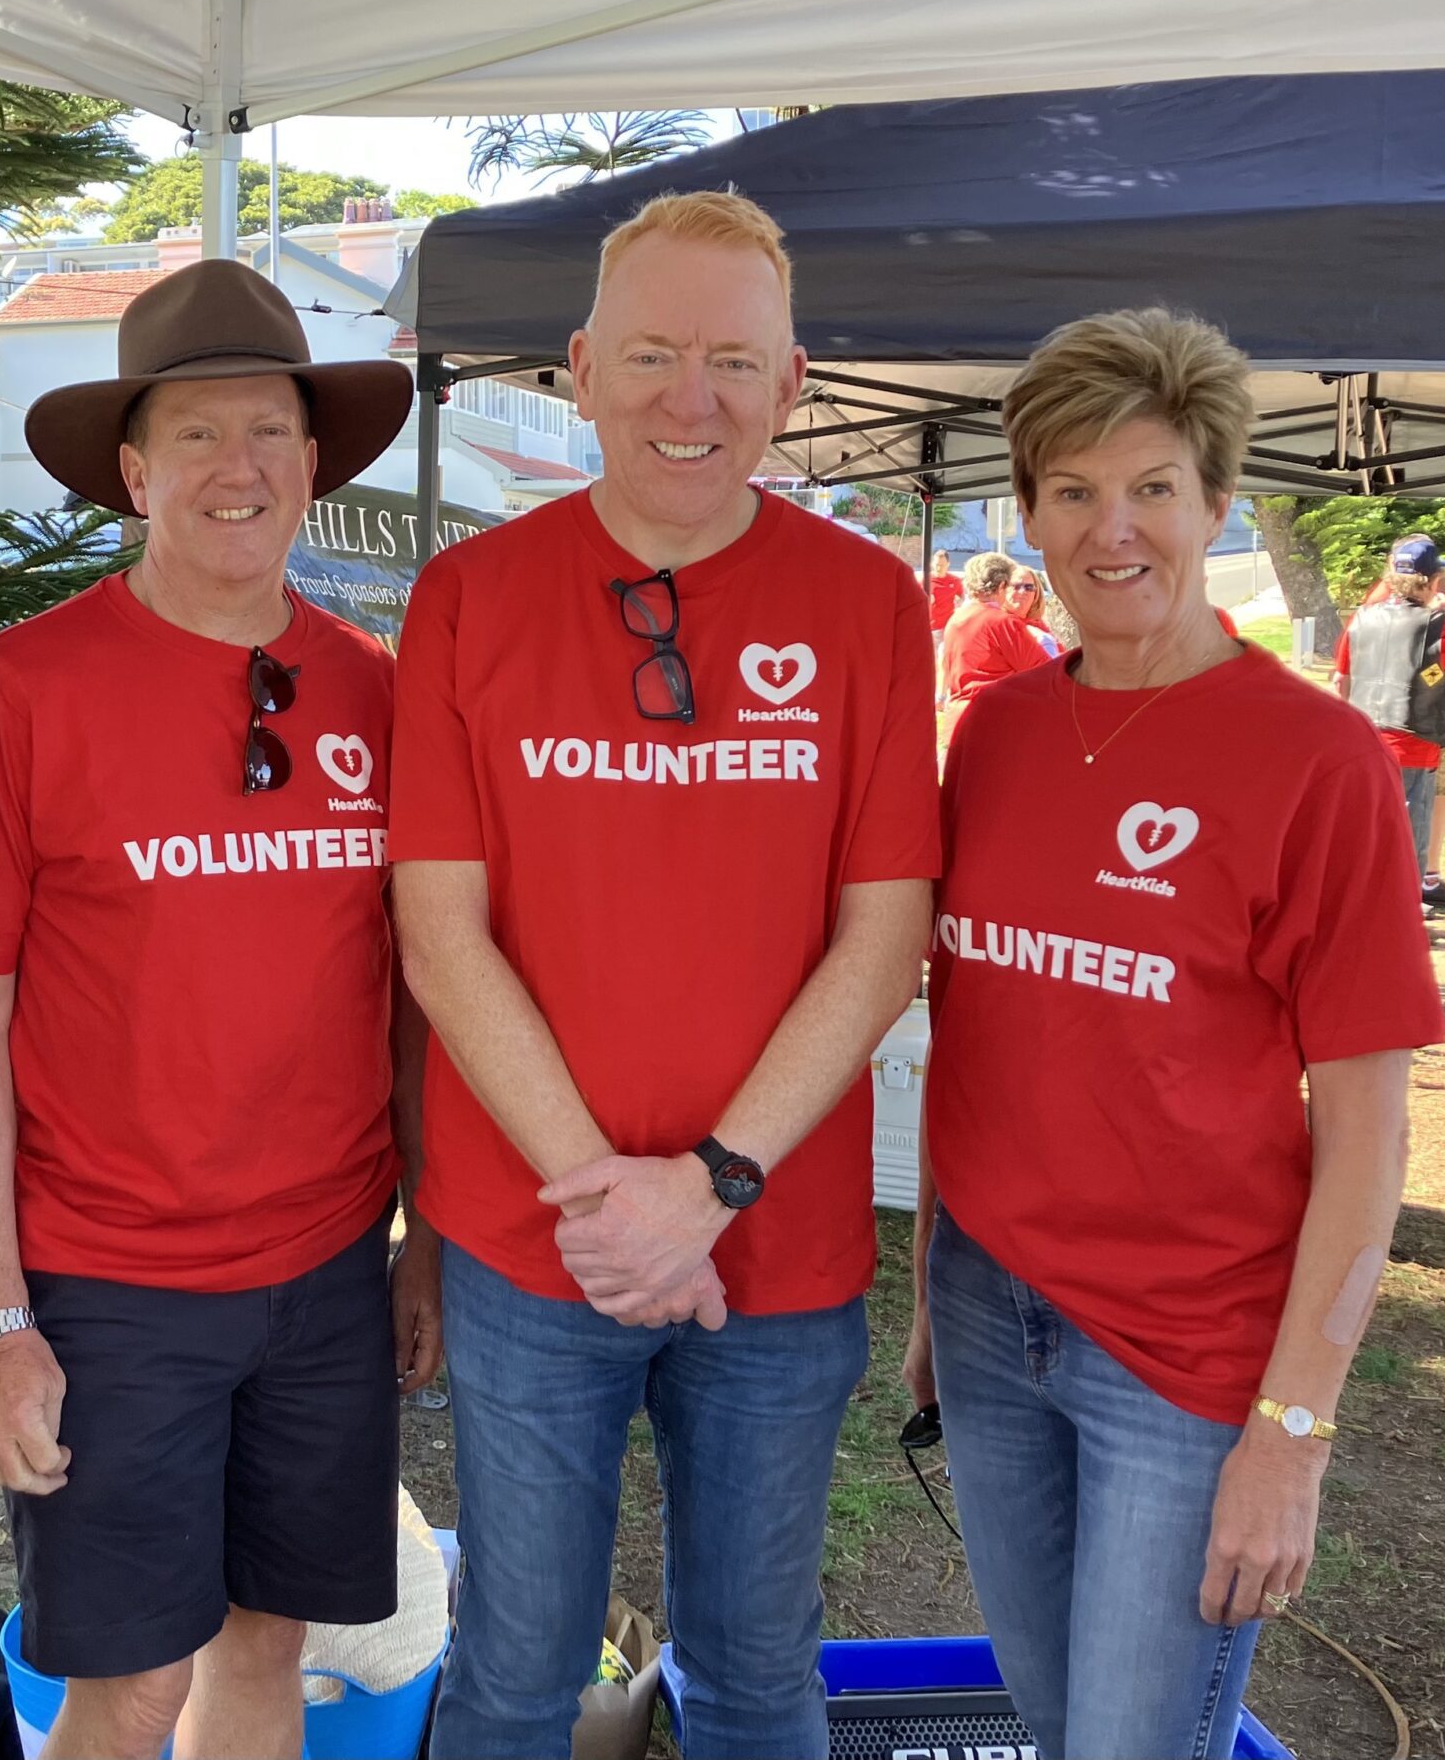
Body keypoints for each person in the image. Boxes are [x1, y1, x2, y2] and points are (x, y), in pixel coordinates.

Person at [391, 189, 938, 1759]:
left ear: (794, 380)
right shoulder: (470, 598)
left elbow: (883, 933)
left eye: (730, 360)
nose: (687, 399)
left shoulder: (866, 606)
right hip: (531, 1243)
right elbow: (443, 935)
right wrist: (606, 1200)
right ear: (576, 369)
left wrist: (710, 1182)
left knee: (760, 1672)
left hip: (780, 1249)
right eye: (648, 354)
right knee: (514, 1666)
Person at [0, 259, 441, 1760]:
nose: (238, 468)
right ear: (134, 471)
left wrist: (429, 1235)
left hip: (330, 1267)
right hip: (111, 1281)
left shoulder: (376, 691)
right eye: (195, 435)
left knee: (272, 1640)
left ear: (315, 461)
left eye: (268, 430)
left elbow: (415, 990)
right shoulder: (24, 692)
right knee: (130, 1683)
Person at [907, 306, 1440, 1760]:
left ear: (1217, 501)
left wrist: (1293, 1432)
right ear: (1028, 511)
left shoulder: (1315, 760)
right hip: (989, 1305)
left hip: (1187, 1361)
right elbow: (985, 1031)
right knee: (1050, 1710)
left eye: (1150, 487)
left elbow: (1369, 1133)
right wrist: (929, 1296)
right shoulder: (999, 735)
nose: (1111, 527)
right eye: (1071, 490)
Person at [1331, 537, 1445, 909]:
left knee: (1367, 833)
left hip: (1366, 743)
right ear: (1433, 581)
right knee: (1409, 837)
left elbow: (1340, 681)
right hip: (1414, 743)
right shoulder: (1439, 623)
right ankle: (1400, 915)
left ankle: (1367, 909)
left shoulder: (1363, 617)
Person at [941, 550, 1052, 708]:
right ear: (1001, 586)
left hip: (958, 715)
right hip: (993, 715)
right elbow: (1044, 672)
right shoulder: (1003, 622)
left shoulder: (955, 620)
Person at [1005, 564, 1060, 656]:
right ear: (1002, 589)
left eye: (1029, 587)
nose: (1022, 592)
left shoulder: (1038, 624)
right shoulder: (996, 623)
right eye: (1016, 586)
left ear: (1036, 594)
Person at [925, 547, 964, 634]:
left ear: (948, 564)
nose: (939, 568)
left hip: (949, 627)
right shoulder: (925, 581)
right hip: (931, 628)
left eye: (942, 565)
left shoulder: (955, 581)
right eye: (937, 565)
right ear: (932, 564)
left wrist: (959, 603)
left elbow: (962, 600)